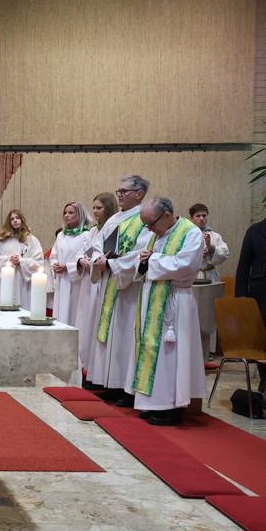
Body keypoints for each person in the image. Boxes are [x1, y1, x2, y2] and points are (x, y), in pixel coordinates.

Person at [126, 198, 206, 425]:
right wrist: (144, 262)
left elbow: (185, 265)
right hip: (152, 298)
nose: (149, 229)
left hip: (175, 300)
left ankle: (172, 407)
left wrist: (153, 259)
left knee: (171, 356)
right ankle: (152, 403)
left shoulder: (191, 233)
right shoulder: (158, 234)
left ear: (167, 216)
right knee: (152, 352)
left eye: (151, 224)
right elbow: (150, 263)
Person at [88, 175, 149, 405]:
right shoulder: (114, 218)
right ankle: (109, 383)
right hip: (109, 283)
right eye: (119, 191)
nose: (120, 195)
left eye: (124, 191)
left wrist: (112, 264)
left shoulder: (144, 219)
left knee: (125, 335)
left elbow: (142, 252)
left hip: (129, 289)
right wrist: (99, 259)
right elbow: (96, 244)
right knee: (110, 333)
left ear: (139, 194)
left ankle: (125, 387)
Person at [237, 190, 266, 392]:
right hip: (261, 290)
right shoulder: (255, 230)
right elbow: (244, 264)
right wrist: (241, 296)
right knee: (263, 335)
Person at [75, 193, 119, 380]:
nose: (95, 211)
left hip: (102, 281)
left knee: (95, 323)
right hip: (88, 282)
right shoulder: (93, 231)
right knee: (85, 323)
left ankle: (95, 370)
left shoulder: (115, 228)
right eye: (93, 208)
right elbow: (82, 251)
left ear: (108, 208)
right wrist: (81, 260)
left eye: (99, 208)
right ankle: (84, 366)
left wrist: (94, 261)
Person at [0, 210, 45, 310]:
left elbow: (39, 261)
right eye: (12, 219)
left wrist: (21, 261)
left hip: (23, 281)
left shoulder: (31, 240)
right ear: (9, 222)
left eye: (17, 218)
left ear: (22, 220)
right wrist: (8, 260)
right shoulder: (1, 240)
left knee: (24, 307)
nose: (15, 220)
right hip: (6, 280)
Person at [50, 202, 92, 326]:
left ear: (80, 214)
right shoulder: (61, 235)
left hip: (78, 281)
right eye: (65, 213)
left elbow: (87, 258)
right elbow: (54, 255)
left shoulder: (87, 235)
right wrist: (55, 264)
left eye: (71, 213)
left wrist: (67, 267)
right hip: (61, 280)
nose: (66, 215)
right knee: (61, 313)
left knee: (74, 313)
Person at [188, 203, 229, 284]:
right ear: (191, 218)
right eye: (198, 216)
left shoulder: (215, 236)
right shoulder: (186, 235)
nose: (201, 218)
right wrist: (196, 256)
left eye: (204, 215)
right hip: (192, 276)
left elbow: (225, 253)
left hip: (210, 275)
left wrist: (211, 249)